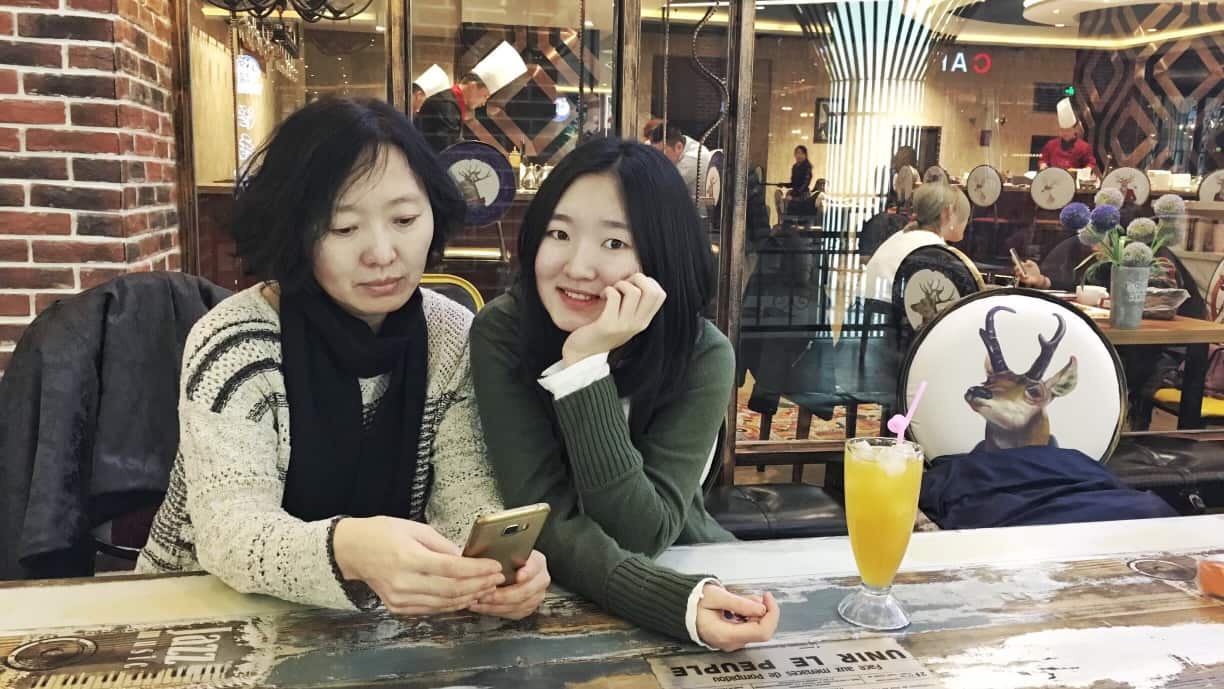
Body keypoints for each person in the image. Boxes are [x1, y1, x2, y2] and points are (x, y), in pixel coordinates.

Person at [137, 98, 550, 622]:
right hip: (197, 610)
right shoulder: (234, 342)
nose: (382, 252)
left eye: (404, 218)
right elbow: (229, 532)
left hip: (366, 621)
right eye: (343, 228)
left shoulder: (451, 336)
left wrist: (494, 568)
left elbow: (465, 492)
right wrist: (349, 548)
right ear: (296, 232)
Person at [469, 137, 780, 651]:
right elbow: (542, 509)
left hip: (690, 567)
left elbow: (643, 531)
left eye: (615, 243)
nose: (578, 267)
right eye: (559, 232)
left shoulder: (701, 354)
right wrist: (584, 366)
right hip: (583, 596)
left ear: (661, 254)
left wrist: (585, 367)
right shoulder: (503, 331)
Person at [862, 182, 969, 300]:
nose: (966, 222)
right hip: (888, 314)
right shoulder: (933, 250)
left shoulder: (902, 236)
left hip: (868, 310)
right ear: (947, 212)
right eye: (964, 216)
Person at [418, 42, 526, 152]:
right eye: (485, 96)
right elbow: (450, 151)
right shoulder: (447, 106)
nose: (484, 103)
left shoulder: (451, 102)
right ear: (473, 86)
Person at [649, 122, 712, 215]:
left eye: (661, 153)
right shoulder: (681, 142)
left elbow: (661, 188)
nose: (657, 159)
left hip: (697, 217)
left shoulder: (694, 158)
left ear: (678, 147)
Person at [1038, 98, 1097, 172]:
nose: (1065, 133)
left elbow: (1091, 165)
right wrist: (1043, 165)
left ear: (1075, 129)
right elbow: (1043, 160)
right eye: (1062, 130)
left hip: (1074, 180)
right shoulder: (1051, 145)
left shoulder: (1084, 147)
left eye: (1068, 130)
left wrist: (1077, 171)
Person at [784, 145, 816, 218]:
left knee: (798, 219)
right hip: (795, 195)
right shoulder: (795, 167)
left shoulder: (807, 167)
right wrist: (785, 185)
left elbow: (805, 183)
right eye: (797, 153)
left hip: (803, 196)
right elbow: (794, 183)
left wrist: (794, 195)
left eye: (802, 153)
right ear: (794, 155)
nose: (799, 155)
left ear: (805, 155)